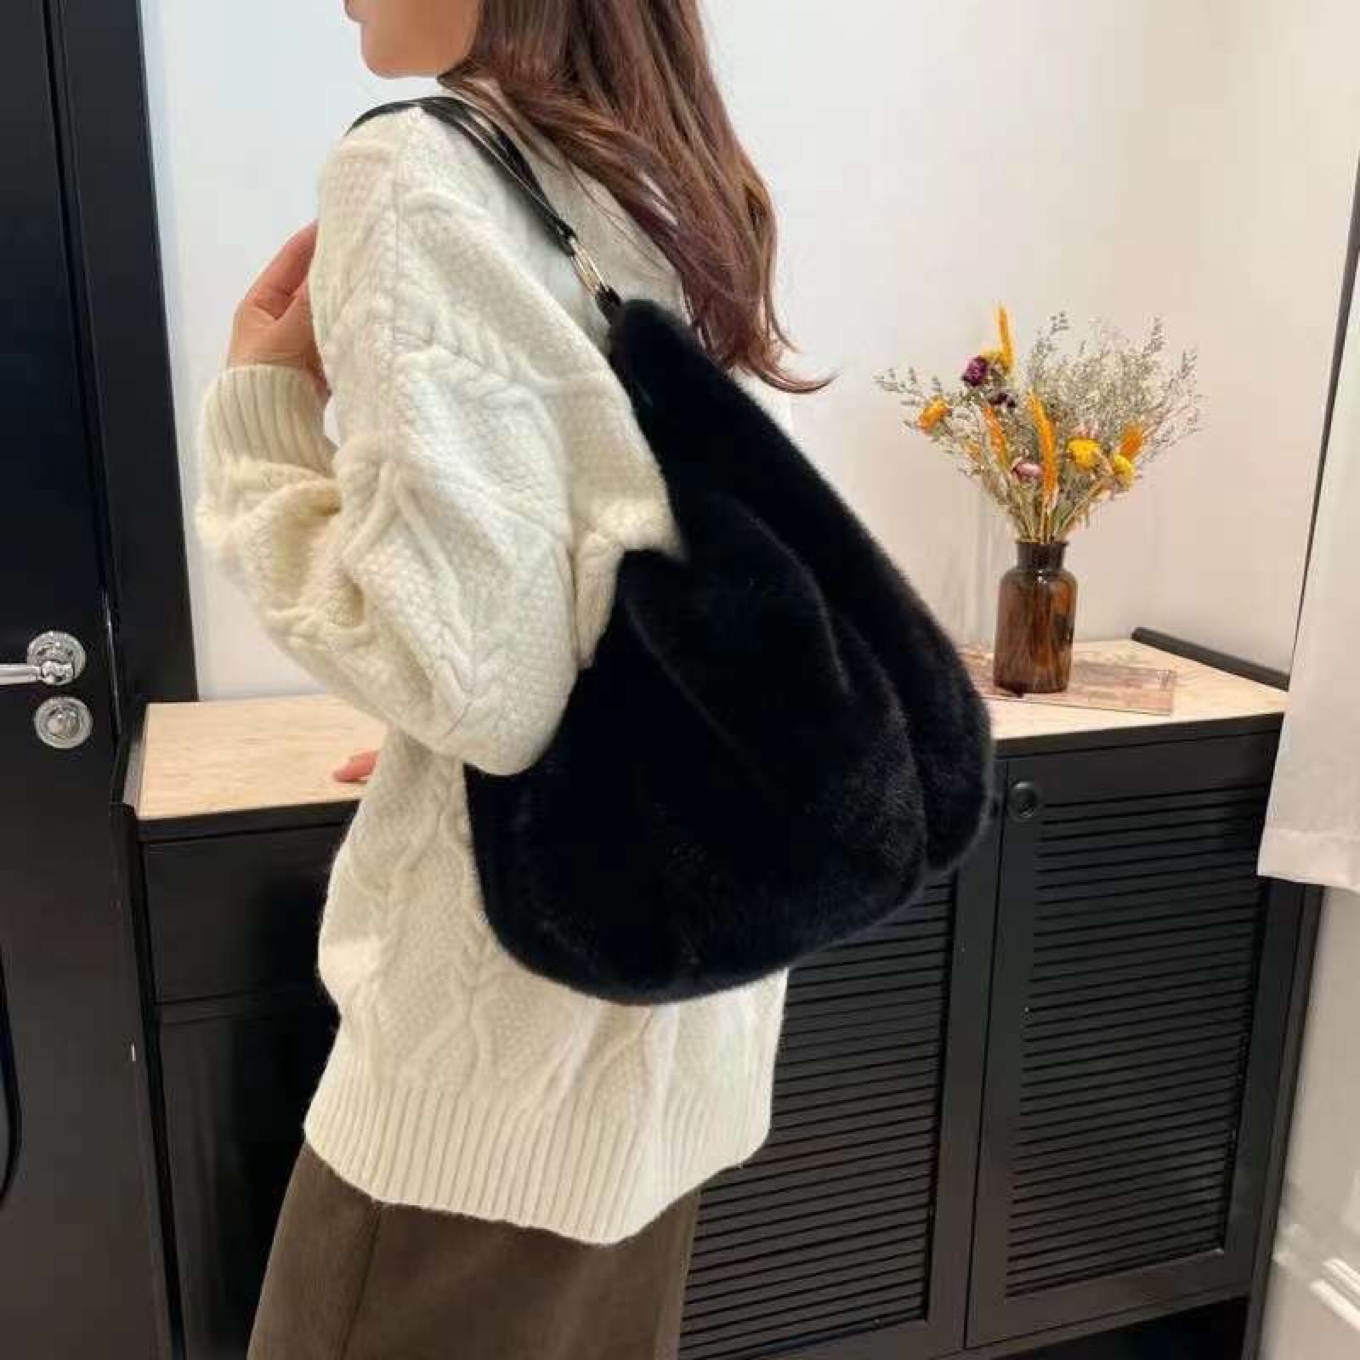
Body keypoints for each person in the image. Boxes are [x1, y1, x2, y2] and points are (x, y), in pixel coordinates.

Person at [197, 2, 810, 1357]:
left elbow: (477, 674)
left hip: (490, 1089)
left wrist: (262, 414)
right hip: (670, 1044)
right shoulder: (667, 181)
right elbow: (623, 592)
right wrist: (461, 730)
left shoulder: (414, 167)